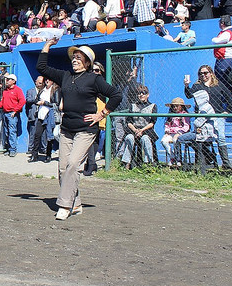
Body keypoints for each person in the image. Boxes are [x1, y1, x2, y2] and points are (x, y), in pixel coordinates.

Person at [37, 39, 121, 220]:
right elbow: (42, 68)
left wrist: (102, 114)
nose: (74, 60)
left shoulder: (94, 79)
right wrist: (47, 46)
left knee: (74, 164)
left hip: (86, 129)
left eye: (79, 58)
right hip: (67, 129)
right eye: (74, 57)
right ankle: (76, 204)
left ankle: (64, 206)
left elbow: (116, 95)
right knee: (62, 169)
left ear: (87, 62)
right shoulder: (65, 76)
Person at [184, 65, 232, 169]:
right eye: (201, 73)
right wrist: (186, 86)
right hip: (202, 117)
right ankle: (206, 161)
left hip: (217, 116)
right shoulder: (197, 86)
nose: (203, 75)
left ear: (211, 73)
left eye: (205, 73)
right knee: (202, 139)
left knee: (220, 137)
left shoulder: (218, 85)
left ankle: (225, 163)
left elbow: (230, 97)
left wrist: (227, 111)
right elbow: (189, 95)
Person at [120, 85, 158, 168]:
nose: (141, 95)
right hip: (134, 129)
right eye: (139, 93)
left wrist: (142, 130)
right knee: (129, 137)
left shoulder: (152, 106)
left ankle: (149, 163)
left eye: (143, 93)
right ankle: (127, 163)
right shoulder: (132, 106)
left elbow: (152, 122)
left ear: (148, 95)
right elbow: (129, 122)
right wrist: (135, 130)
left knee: (145, 139)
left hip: (147, 130)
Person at [0, 74, 25, 157]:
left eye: (9, 80)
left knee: (12, 132)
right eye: (6, 80)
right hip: (5, 113)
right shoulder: (5, 91)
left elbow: (22, 101)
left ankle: (13, 149)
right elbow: (2, 103)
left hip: (12, 114)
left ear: (14, 81)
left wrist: (15, 111)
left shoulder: (18, 90)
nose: (7, 81)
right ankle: (8, 148)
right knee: (6, 132)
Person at [161, 98, 190, 167]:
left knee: (175, 140)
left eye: (177, 106)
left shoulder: (184, 115)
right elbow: (167, 124)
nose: (175, 108)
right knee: (163, 141)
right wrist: (167, 131)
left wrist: (179, 132)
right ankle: (172, 157)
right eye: (173, 106)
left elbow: (186, 126)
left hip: (181, 133)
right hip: (171, 132)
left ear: (181, 106)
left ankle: (178, 159)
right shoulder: (171, 115)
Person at [211, 15, 232, 91]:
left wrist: (214, 38)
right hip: (222, 59)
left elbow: (216, 41)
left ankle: (226, 99)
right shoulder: (227, 32)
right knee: (222, 80)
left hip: (225, 59)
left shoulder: (228, 32)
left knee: (223, 80)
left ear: (222, 23)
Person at [25, 76, 44, 155]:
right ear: (35, 82)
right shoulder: (30, 91)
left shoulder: (44, 91)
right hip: (33, 113)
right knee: (32, 132)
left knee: (43, 133)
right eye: (38, 82)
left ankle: (43, 148)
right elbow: (28, 100)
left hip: (42, 114)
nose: (39, 84)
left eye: (41, 83)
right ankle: (31, 148)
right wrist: (35, 100)